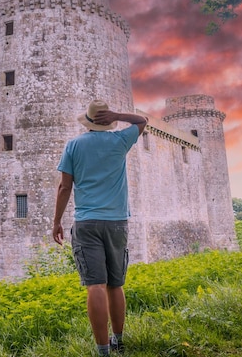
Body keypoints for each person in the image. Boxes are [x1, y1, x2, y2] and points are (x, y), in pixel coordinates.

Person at [53, 100, 147, 356]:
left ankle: (102, 350)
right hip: (117, 222)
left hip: (87, 223)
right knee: (115, 285)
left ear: (89, 121)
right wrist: (117, 114)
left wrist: (56, 221)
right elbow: (142, 122)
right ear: (108, 122)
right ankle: (118, 339)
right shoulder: (120, 141)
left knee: (95, 285)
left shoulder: (74, 145)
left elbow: (64, 187)